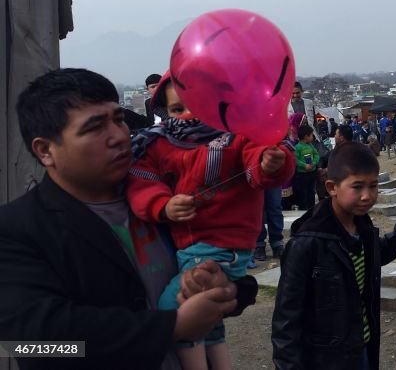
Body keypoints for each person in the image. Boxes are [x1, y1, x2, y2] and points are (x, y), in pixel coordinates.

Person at [1, 68, 257, 370]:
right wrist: (171, 327)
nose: (119, 137)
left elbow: (229, 266)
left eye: (119, 119)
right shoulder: (17, 228)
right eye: (95, 127)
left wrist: (226, 290)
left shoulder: (164, 199)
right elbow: (38, 345)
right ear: (45, 150)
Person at [126, 74, 295, 370]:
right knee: (211, 327)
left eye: (200, 106)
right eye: (178, 110)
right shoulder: (160, 143)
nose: (189, 116)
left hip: (218, 249)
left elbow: (256, 158)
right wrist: (163, 205)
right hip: (195, 250)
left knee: (174, 311)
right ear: (166, 112)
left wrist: (272, 163)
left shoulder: (236, 134)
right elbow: (143, 180)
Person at [271, 144, 396, 369]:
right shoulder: (306, 244)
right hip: (326, 359)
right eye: (357, 187)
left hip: (361, 347)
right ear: (332, 187)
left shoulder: (361, 227)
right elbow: (286, 320)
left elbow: (376, 255)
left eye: (373, 186)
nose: (367, 196)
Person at [291, 124, 321, 211]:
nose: (313, 137)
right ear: (306, 136)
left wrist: (314, 163)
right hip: (302, 175)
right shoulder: (297, 147)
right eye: (311, 135)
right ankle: (304, 208)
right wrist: (304, 165)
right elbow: (295, 160)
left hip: (312, 173)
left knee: (311, 191)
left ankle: (311, 208)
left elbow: (316, 155)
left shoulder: (311, 146)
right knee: (303, 192)